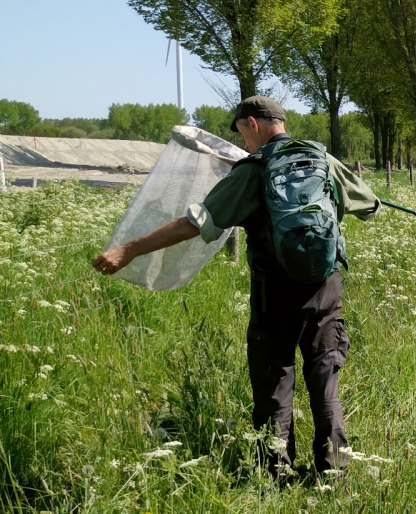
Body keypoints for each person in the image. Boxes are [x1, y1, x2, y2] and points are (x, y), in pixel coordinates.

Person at [92, 96, 380, 478]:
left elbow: (194, 224)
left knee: (275, 380)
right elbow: (370, 206)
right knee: (325, 375)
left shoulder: (254, 171)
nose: (243, 142)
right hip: (325, 286)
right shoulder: (321, 159)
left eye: (242, 132)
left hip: (274, 291)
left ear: (252, 124)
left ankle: (276, 476)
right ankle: (335, 471)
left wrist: (128, 249)